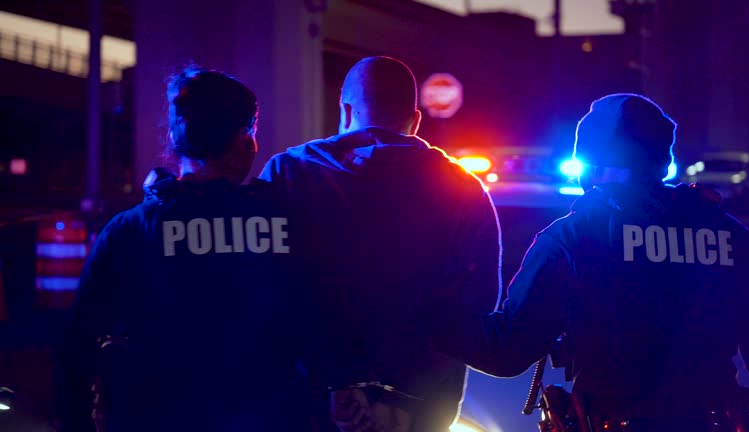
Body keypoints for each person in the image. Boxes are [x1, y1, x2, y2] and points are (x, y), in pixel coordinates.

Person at [435, 93, 749, 431]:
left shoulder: (572, 238)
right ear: (661, 160)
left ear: (590, 162)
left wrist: (428, 313)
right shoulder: (728, 233)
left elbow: (506, 350)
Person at [56, 66, 311, 432]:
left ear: (176, 139)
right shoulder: (288, 222)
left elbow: (77, 348)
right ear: (245, 141)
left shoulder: (131, 230)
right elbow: (324, 322)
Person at [260, 56, 502, 432]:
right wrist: (403, 398)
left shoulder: (287, 174)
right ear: (416, 120)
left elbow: (269, 291)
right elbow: (476, 307)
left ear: (344, 110)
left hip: (310, 404)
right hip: (417, 412)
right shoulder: (462, 188)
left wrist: (336, 384)